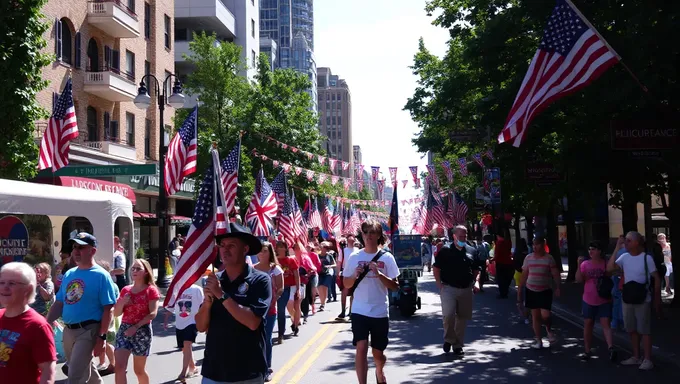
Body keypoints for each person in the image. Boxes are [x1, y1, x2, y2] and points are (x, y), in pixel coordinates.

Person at [196, 223, 271, 384]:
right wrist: (208, 304)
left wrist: (221, 295)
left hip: (246, 372)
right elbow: (201, 326)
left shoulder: (260, 280)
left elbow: (252, 322)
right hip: (213, 371)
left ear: (245, 250)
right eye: (222, 245)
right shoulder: (215, 281)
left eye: (231, 245)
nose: (225, 249)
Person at [47, 232, 118, 384]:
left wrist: (102, 337)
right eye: (74, 247)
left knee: (75, 376)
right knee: (87, 370)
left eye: (81, 247)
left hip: (89, 330)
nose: (76, 251)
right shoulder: (69, 274)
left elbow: (108, 309)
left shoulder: (101, 276)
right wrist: (44, 324)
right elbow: (59, 303)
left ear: (93, 251)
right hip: (68, 331)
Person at [343, 220, 399, 384]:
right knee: (361, 348)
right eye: (366, 232)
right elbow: (346, 285)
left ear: (378, 235)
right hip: (359, 310)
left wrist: (380, 274)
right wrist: (354, 275)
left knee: (378, 354)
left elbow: (395, 286)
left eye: (372, 232)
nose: (369, 236)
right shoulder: (355, 257)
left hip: (380, 311)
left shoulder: (387, 258)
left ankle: (379, 370)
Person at [606, 231, 661, 370]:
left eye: (629, 240)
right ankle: (636, 357)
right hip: (628, 297)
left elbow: (657, 278)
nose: (626, 243)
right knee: (631, 329)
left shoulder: (646, 258)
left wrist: (656, 299)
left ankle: (647, 359)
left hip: (643, 298)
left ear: (637, 242)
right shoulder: (624, 257)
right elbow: (609, 269)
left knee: (645, 329)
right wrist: (617, 248)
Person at [0, 262, 57, 384]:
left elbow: (47, 374)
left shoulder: (38, 326)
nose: (5, 287)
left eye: (12, 283)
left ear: (28, 289)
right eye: (2, 282)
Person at [433, 225, 481, 356]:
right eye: (460, 236)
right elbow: (436, 268)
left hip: (466, 288)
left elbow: (477, 269)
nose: (463, 239)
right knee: (448, 315)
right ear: (454, 236)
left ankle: (457, 345)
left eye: (465, 236)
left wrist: (476, 282)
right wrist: (439, 283)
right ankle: (449, 339)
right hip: (449, 288)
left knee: (462, 318)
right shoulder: (445, 250)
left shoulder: (471, 250)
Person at [113, 259, 159, 384]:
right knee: (119, 367)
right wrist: (122, 302)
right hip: (124, 329)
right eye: (133, 268)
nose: (134, 271)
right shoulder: (126, 290)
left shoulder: (151, 290)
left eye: (138, 268)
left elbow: (153, 313)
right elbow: (116, 313)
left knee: (139, 371)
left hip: (142, 331)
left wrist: (136, 327)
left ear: (145, 272)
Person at [575, 241, 616, 362]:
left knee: (606, 323)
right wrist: (578, 264)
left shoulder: (605, 263)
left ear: (599, 251)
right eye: (589, 249)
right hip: (588, 299)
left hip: (604, 298)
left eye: (593, 249)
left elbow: (611, 273)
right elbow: (578, 280)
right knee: (588, 324)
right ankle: (587, 350)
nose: (591, 251)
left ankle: (611, 347)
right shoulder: (585, 264)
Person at [519, 237, 561, 349]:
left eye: (537, 244)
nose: (535, 247)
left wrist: (557, 287)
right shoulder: (528, 258)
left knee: (545, 315)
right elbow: (524, 275)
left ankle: (549, 330)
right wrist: (520, 290)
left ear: (543, 245)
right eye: (533, 244)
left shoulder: (549, 258)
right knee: (535, 316)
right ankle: (538, 339)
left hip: (545, 290)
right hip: (531, 289)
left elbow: (555, 273)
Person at [254, 242, 284, 382]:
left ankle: (267, 368)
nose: (261, 254)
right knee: (254, 339)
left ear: (270, 252)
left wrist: (273, 300)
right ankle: (256, 366)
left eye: (265, 251)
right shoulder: (252, 269)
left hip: (270, 310)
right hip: (254, 310)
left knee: (266, 339)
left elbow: (280, 288)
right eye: (260, 251)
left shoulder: (275, 269)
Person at [164, 279, 203, 381]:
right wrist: (166, 319)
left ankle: (183, 372)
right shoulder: (176, 290)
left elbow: (204, 305)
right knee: (184, 348)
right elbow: (171, 306)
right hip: (180, 323)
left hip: (192, 322)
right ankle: (193, 367)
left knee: (187, 344)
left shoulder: (197, 290)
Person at [274, 240, 300, 342]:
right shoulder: (274, 261)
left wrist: (298, 288)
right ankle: (288, 326)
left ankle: (282, 332)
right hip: (276, 288)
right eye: (278, 246)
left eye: (282, 246)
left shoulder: (291, 260)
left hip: (289, 287)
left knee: (285, 308)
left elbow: (296, 275)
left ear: (286, 248)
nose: (280, 248)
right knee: (280, 310)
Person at [512, 238, 530, 325]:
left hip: (518, 274)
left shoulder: (516, 254)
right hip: (527, 274)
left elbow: (514, 264)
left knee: (519, 293)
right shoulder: (528, 254)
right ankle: (527, 314)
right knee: (527, 293)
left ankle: (522, 313)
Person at [493, 230, 514, 299]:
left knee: (501, 279)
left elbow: (497, 254)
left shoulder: (499, 242)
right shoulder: (508, 242)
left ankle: (503, 293)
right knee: (506, 278)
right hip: (508, 262)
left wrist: (492, 259)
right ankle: (506, 291)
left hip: (500, 263)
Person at [317, 242, 337, 311]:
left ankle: (323, 304)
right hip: (319, 273)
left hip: (327, 273)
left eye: (326, 248)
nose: (324, 250)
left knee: (324, 288)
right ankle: (322, 302)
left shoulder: (329, 256)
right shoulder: (317, 256)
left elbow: (334, 264)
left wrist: (329, 266)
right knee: (320, 288)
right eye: (323, 248)